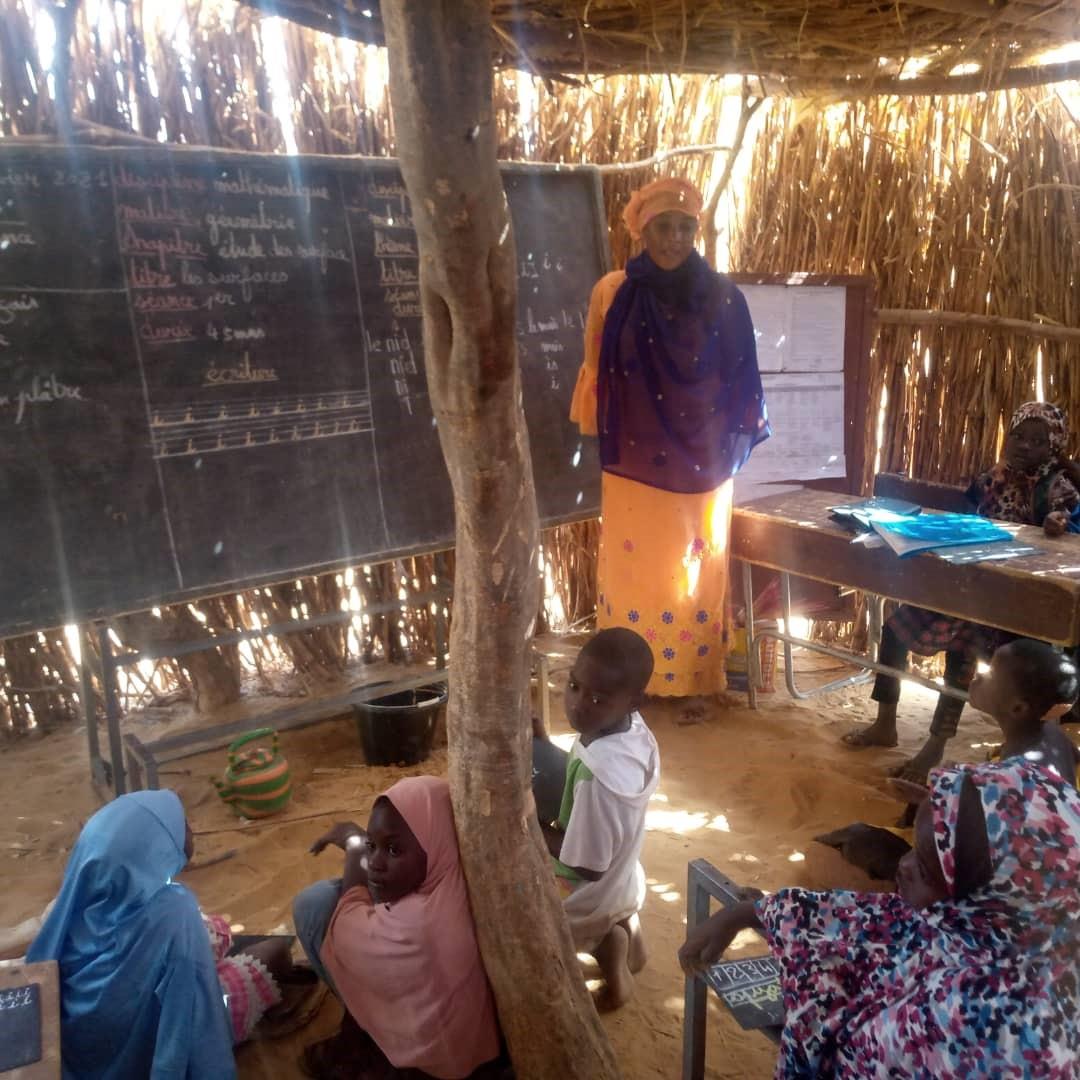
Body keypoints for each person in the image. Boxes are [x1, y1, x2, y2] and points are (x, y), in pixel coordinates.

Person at [680, 759, 1080, 1077]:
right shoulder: (1000, 927)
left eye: (925, 869)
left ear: (984, 903)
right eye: (912, 849)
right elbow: (872, 920)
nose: (902, 865)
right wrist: (751, 912)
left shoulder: (986, 1030)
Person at [570, 177, 769, 724]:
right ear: (641, 230)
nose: (675, 238)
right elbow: (595, 369)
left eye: (685, 227)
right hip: (631, 463)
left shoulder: (724, 297)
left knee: (695, 572)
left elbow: (741, 379)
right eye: (663, 226)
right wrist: (600, 435)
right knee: (633, 572)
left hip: (701, 464)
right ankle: (632, 680)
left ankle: (698, 682)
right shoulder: (612, 293)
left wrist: (727, 443)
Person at [843, 400, 1080, 780]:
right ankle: (885, 723)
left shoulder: (1059, 490)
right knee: (895, 628)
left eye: (1038, 441)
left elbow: (1071, 538)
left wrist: (1059, 526)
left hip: (1016, 610)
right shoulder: (989, 480)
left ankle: (935, 745)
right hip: (968, 589)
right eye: (1018, 436)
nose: (1024, 445)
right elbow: (966, 522)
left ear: (1053, 448)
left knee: (963, 647)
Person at [293, 776, 503, 1079]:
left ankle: (373, 1028)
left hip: (433, 1067)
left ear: (435, 845)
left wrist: (355, 845)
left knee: (313, 904)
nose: (375, 862)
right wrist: (370, 847)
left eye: (393, 850)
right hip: (468, 1049)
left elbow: (345, 923)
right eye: (372, 845)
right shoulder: (458, 882)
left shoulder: (416, 926)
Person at [817, 637, 1080, 880]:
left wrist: (933, 804)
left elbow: (960, 851)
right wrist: (930, 798)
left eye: (990, 674)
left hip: (996, 903)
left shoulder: (997, 780)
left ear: (1018, 707)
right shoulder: (1056, 742)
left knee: (853, 842)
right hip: (1051, 888)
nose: (978, 676)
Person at [26, 790, 237, 1079]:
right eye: (183, 825)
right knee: (264, 960)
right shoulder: (175, 913)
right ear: (155, 850)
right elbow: (194, 1018)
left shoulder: (70, 906)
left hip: (80, 1056)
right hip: (145, 1056)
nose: (189, 831)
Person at [534, 627, 660, 1008]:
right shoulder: (631, 731)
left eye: (597, 698)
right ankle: (630, 938)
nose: (578, 705)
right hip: (625, 873)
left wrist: (531, 827)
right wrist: (545, 745)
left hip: (587, 893)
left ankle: (608, 952)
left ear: (634, 701)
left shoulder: (597, 782)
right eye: (574, 686)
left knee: (518, 890)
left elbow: (585, 866)